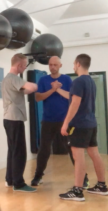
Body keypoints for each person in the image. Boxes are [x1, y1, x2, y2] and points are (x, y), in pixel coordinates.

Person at [30, 56, 89, 189]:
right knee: (43, 150)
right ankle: (37, 176)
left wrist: (57, 89)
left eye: (55, 65)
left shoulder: (67, 79)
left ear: (60, 65)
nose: (52, 67)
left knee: (72, 150)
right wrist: (52, 89)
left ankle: (84, 179)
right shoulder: (43, 79)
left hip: (64, 120)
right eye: (50, 65)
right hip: (48, 120)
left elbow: (71, 96)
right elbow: (38, 98)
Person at [59, 54, 108, 201]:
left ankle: (77, 191)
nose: (73, 67)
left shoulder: (78, 81)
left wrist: (66, 122)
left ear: (78, 64)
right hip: (90, 123)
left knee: (78, 156)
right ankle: (102, 185)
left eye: (74, 64)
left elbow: (75, 103)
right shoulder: (91, 82)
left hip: (79, 125)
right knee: (94, 154)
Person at [1, 53, 38, 193]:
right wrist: (37, 85)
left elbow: (23, 91)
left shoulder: (7, 80)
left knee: (13, 150)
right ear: (19, 65)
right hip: (14, 119)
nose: (25, 67)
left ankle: (10, 180)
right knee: (20, 152)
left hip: (8, 118)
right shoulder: (14, 78)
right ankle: (19, 183)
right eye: (25, 65)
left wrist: (29, 88)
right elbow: (31, 87)